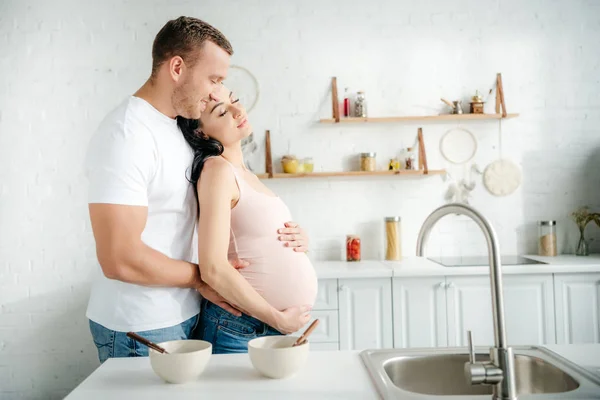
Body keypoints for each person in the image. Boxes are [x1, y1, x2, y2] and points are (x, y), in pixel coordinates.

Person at [84, 16, 309, 363]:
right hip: (140, 327)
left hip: (185, 317)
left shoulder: (176, 128)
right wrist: (204, 277)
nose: (215, 92)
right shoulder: (127, 134)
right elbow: (118, 259)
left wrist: (286, 241)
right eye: (213, 79)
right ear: (176, 67)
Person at [177, 84, 318, 354]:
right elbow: (213, 268)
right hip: (240, 327)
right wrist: (277, 318)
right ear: (200, 132)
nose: (238, 110)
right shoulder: (217, 169)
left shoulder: (245, 174)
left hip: (260, 326)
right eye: (221, 112)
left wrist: (300, 240)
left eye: (235, 100)